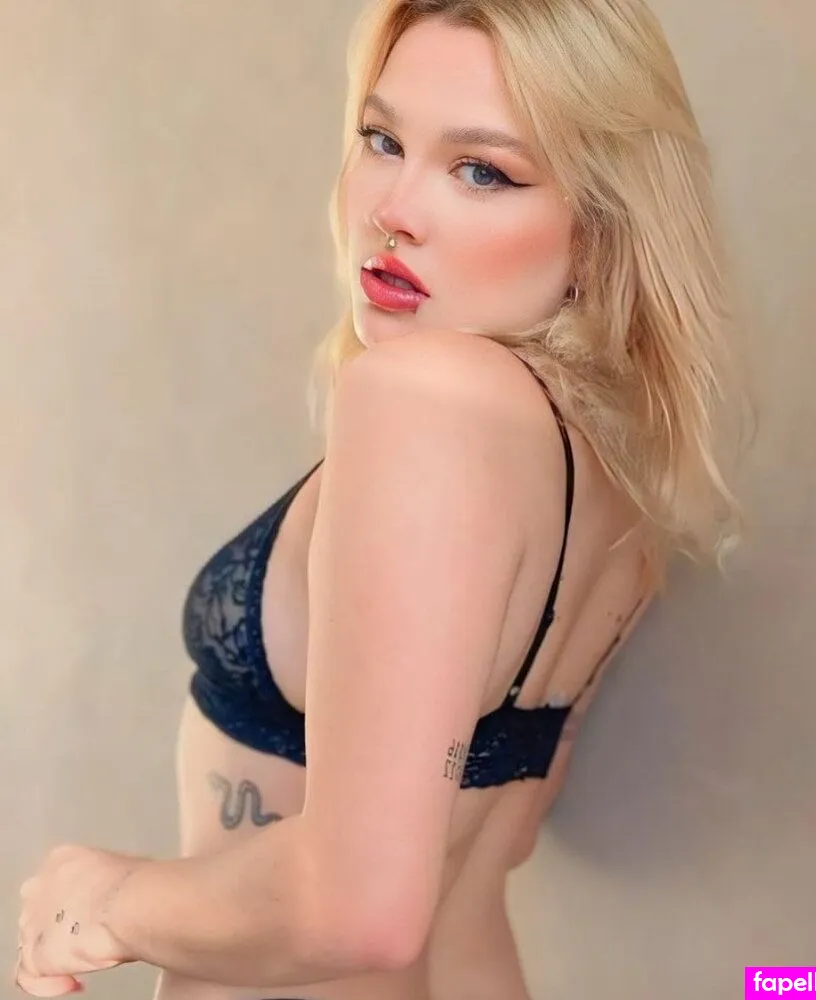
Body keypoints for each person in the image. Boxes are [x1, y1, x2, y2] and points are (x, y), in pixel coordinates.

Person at [15, 1, 743, 998]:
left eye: (481, 170)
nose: (394, 208)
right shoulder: (617, 466)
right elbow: (502, 830)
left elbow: (360, 907)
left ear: (599, 229)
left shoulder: (422, 401)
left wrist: (107, 899)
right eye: (383, 139)